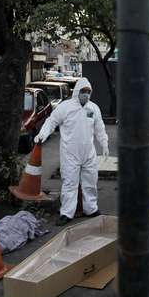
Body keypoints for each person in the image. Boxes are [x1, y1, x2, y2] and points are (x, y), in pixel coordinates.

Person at [35, 78, 109, 226]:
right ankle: (67, 213)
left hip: (89, 153)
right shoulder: (65, 107)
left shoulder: (93, 108)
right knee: (69, 183)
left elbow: (99, 128)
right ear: (77, 91)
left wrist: (104, 143)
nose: (86, 95)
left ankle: (91, 209)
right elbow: (52, 121)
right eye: (83, 91)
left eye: (88, 92)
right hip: (70, 154)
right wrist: (43, 134)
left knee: (90, 182)